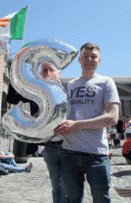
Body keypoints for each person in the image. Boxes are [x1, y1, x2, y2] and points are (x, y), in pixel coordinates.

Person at [54, 43, 120, 202]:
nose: (89, 60)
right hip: (70, 152)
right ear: (79, 59)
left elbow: (112, 118)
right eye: (85, 56)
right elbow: (65, 114)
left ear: (99, 60)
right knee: (72, 200)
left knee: (101, 199)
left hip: (96, 154)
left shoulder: (106, 82)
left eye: (93, 57)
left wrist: (76, 125)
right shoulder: (70, 85)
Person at [39, 62, 68, 203]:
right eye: (44, 70)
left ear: (59, 73)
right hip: (50, 146)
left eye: (51, 69)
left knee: (69, 185)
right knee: (56, 185)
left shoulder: (69, 90)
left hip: (69, 145)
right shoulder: (38, 94)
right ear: (40, 74)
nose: (48, 72)